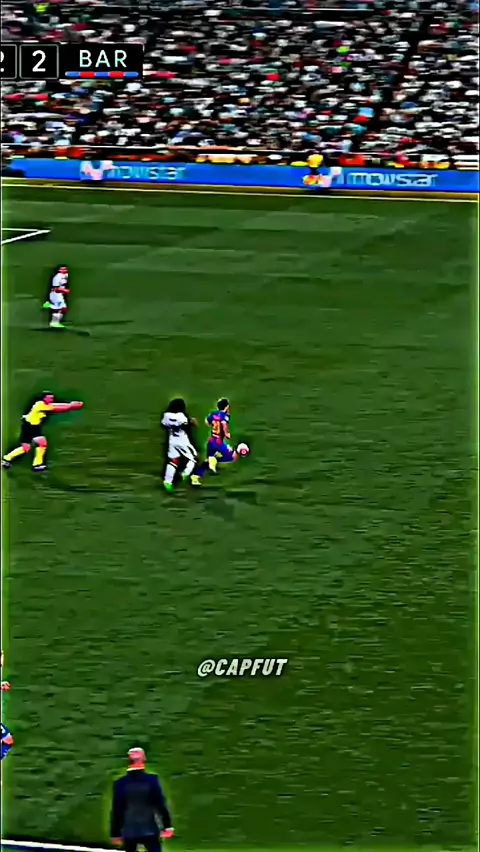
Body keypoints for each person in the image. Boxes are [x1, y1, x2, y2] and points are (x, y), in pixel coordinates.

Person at [110, 747, 174, 852]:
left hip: (129, 831)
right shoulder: (151, 780)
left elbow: (117, 809)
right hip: (150, 829)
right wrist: (167, 825)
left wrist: (115, 833)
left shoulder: (120, 783)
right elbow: (159, 804)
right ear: (144, 759)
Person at [2, 392, 84, 472]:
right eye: (49, 398)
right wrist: (71, 406)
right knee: (33, 446)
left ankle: (33, 464)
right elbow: (57, 408)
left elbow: (56, 405)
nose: (51, 400)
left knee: (33, 446)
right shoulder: (40, 405)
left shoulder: (45, 404)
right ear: (44, 398)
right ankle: (32, 464)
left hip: (32, 427)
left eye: (52, 398)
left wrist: (70, 405)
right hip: (29, 427)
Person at [191, 398, 237, 485]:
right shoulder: (225, 416)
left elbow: (206, 421)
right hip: (218, 443)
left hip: (211, 441)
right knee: (232, 456)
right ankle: (214, 461)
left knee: (208, 460)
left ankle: (195, 476)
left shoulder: (213, 414)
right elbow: (223, 423)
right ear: (226, 407)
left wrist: (213, 424)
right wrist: (226, 433)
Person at [161, 398, 197, 492]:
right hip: (182, 440)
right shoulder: (182, 416)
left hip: (172, 440)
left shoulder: (166, 415)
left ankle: (168, 481)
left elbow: (163, 425)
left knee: (173, 461)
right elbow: (187, 424)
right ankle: (185, 473)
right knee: (193, 458)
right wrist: (192, 422)